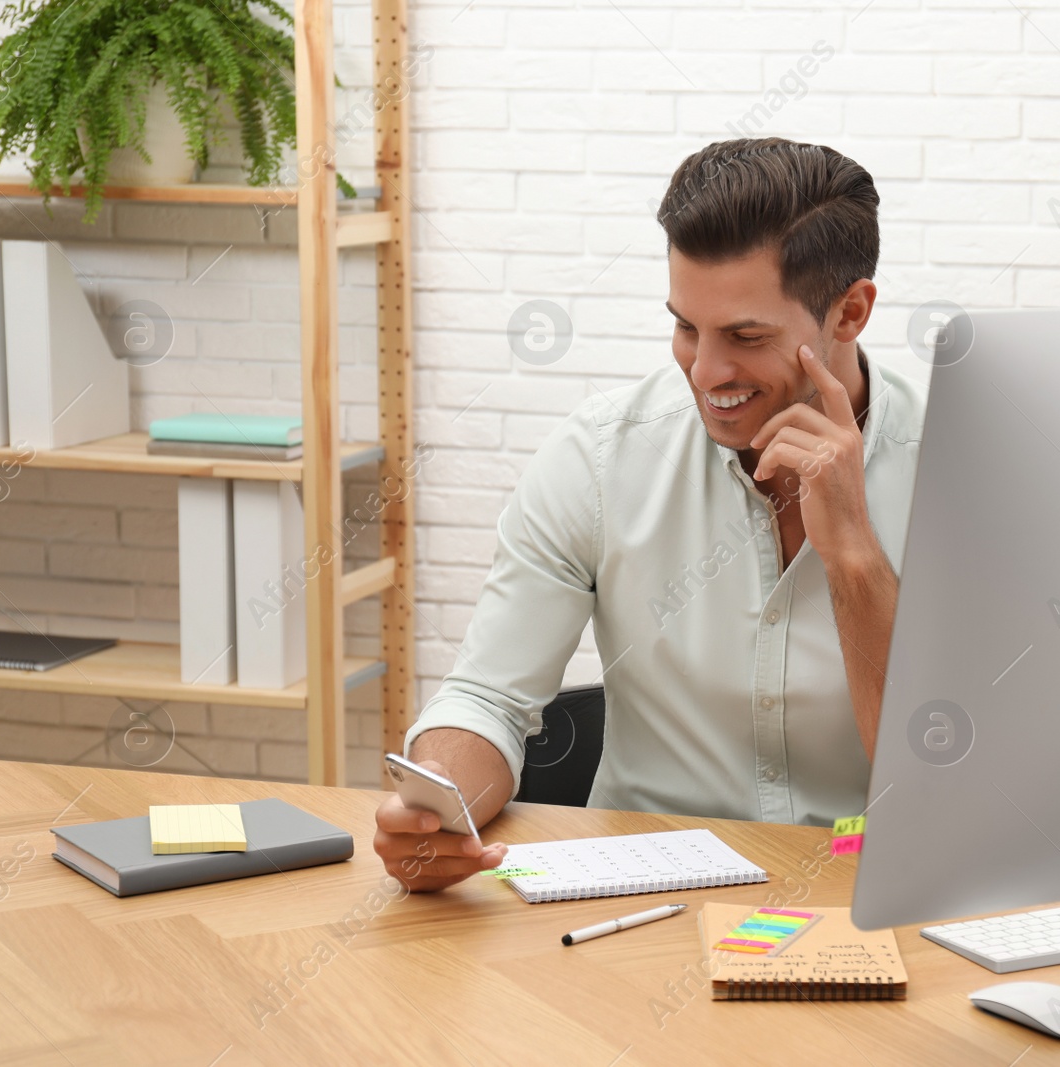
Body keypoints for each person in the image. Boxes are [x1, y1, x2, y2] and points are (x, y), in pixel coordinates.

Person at [374, 137, 926, 891]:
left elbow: (941, 780)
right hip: (640, 901)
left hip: (866, 888)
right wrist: (439, 805)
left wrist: (855, 555)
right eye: (686, 327)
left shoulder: (956, 468)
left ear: (850, 311)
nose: (705, 373)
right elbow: (488, 697)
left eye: (746, 337)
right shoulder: (601, 458)